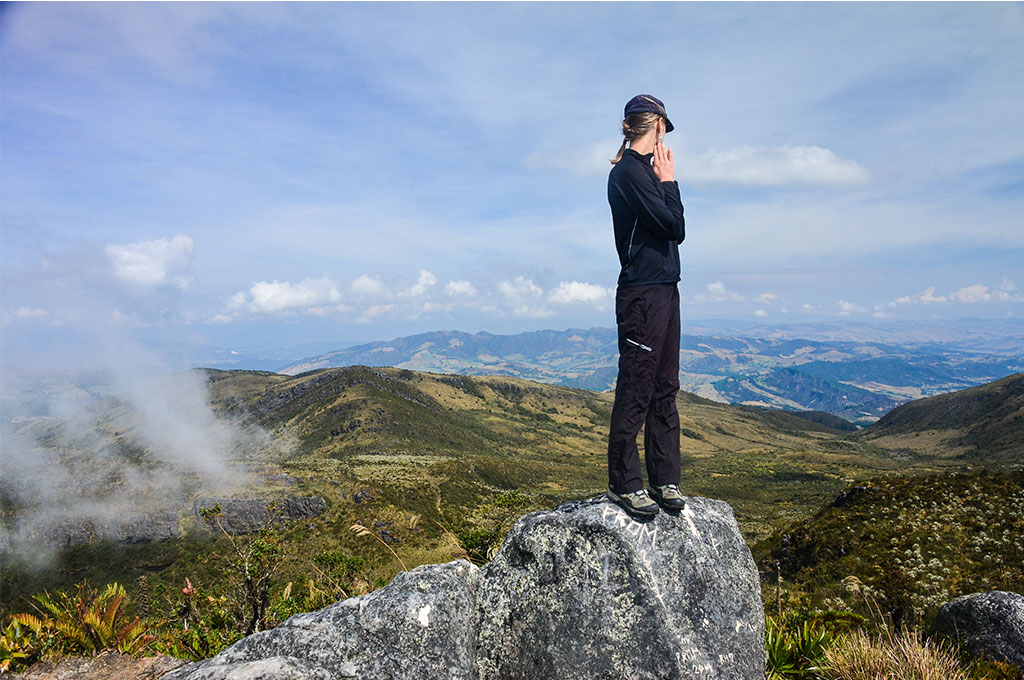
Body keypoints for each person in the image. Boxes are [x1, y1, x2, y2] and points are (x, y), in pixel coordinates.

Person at [605, 94, 686, 517]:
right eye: (665, 128)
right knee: (637, 385)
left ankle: (665, 478)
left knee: (665, 386)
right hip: (642, 292)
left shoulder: (644, 173)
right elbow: (675, 227)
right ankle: (624, 483)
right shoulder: (630, 175)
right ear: (655, 125)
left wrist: (665, 181)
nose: (665, 137)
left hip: (665, 287)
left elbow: (671, 231)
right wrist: (669, 180)